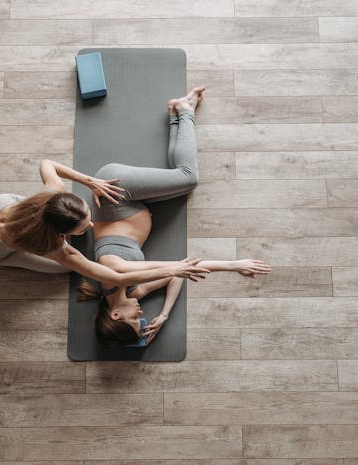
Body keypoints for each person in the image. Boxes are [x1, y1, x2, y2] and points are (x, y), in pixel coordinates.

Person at [79, 87, 271, 347]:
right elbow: (174, 276)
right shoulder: (134, 290)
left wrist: (234, 265)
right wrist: (165, 314)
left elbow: (179, 266)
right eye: (142, 322)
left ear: (115, 314)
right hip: (136, 204)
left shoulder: (112, 274)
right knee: (185, 184)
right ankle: (176, 111)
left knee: (188, 177)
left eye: (135, 320)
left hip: (116, 189)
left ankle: (185, 110)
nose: (141, 315)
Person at [0, 160, 208, 285]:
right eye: (84, 227)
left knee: (30, 208)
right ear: (60, 236)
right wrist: (174, 269)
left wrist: (91, 181)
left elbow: (47, 164)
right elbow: (115, 278)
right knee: (65, 270)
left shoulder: (53, 192)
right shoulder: (56, 250)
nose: (93, 226)